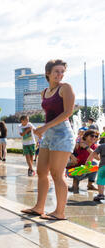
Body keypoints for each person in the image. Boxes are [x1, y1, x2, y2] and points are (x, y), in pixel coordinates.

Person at [21, 59, 76, 221]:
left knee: (57, 174)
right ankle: (39, 207)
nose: (60, 74)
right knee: (41, 171)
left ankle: (60, 212)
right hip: (48, 134)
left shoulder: (65, 88)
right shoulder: (44, 92)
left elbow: (67, 113)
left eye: (62, 71)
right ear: (48, 73)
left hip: (62, 133)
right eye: (56, 71)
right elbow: (50, 113)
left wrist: (44, 128)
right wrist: (44, 130)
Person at [87, 136, 105, 202]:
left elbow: (93, 154)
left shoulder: (102, 146)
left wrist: (88, 161)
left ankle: (101, 194)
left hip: (103, 167)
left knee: (101, 180)